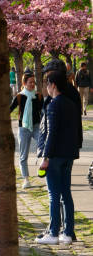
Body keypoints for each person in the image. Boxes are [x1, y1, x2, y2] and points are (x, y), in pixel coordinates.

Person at [35, 70, 81, 245]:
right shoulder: (71, 104)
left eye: (47, 83)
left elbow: (51, 133)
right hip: (69, 155)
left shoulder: (54, 104)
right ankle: (68, 233)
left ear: (53, 85)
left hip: (54, 156)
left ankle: (53, 233)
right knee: (66, 193)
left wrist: (45, 157)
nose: (46, 87)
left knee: (54, 195)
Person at [9, 72, 43, 189]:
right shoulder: (19, 96)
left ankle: (43, 169)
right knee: (23, 156)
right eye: (30, 82)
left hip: (37, 127)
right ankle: (26, 180)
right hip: (23, 128)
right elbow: (9, 109)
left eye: (34, 82)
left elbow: (43, 112)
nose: (33, 84)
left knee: (44, 148)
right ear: (24, 83)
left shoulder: (38, 96)